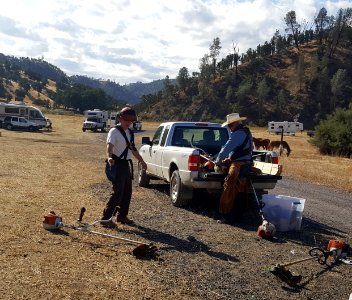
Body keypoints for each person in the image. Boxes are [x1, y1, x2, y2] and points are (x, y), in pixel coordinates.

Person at [101, 107, 147, 228]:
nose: (128, 122)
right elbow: (109, 146)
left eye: (131, 120)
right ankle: (105, 219)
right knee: (118, 192)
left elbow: (133, 149)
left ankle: (122, 216)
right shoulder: (114, 131)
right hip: (116, 163)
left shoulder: (130, 132)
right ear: (120, 119)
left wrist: (142, 161)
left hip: (125, 164)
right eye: (126, 120)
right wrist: (109, 157)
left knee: (127, 191)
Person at [214, 113, 253, 220]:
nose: (229, 127)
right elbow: (246, 149)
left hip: (238, 166)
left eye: (230, 125)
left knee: (229, 188)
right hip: (246, 164)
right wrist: (230, 158)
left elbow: (225, 150)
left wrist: (218, 162)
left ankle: (227, 214)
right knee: (241, 189)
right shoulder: (247, 132)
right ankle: (237, 215)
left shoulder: (237, 134)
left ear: (235, 123)